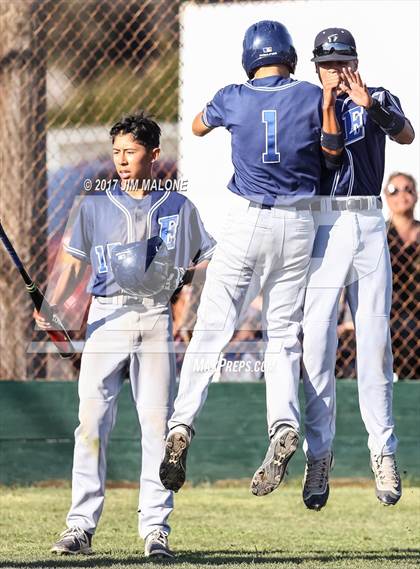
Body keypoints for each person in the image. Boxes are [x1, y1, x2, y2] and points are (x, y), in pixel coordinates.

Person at [159, 20, 342, 496]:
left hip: (246, 219)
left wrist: (230, 109)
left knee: (212, 330)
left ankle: (181, 425)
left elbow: (198, 125)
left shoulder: (234, 96)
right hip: (299, 222)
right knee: (282, 333)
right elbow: (331, 146)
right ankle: (283, 425)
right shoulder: (308, 93)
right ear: (289, 55)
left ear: (250, 58)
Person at [34, 113, 215, 558]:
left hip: (155, 317)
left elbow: (205, 259)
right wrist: (53, 303)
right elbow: (73, 263)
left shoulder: (179, 206)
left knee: (157, 424)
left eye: (130, 151)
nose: (121, 159)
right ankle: (79, 526)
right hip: (107, 317)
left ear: (154, 154)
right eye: (116, 152)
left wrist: (187, 296)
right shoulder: (93, 205)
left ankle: (156, 529)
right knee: (91, 422)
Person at [301, 29, 415, 511]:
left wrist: (369, 104)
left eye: (343, 62)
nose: (337, 71)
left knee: (374, 342)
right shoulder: (307, 104)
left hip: (368, 216)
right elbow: (326, 155)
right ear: (316, 67)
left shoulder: (378, 96)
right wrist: (328, 105)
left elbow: (407, 133)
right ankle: (318, 456)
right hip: (326, 220)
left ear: (356, 61)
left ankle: (383, 452)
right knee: (317, 341)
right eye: (328, 64)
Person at [384, 172, 419, 379]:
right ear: (385, 197)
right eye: (393, 190)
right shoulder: (379, 236)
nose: (402, 195)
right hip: (387, 312)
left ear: (416, 195)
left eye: (408, 189)